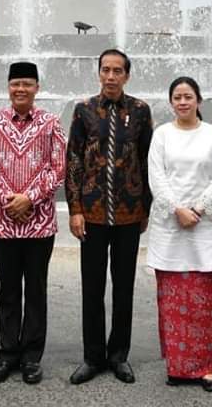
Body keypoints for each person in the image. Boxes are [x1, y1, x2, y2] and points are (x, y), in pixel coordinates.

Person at [0, 62, 65, 385]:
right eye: (15, 84)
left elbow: (58, 168)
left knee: (36, 289)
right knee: (8, 290)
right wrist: (6, 198)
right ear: (8, 87)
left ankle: (31, 357)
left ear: (37, 87)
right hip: (3, 222)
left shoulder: (50, 123)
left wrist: (30, 198)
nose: (21, 89)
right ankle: (7, 354)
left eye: (27, 84)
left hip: (40, 224)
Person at [66, 48, 153, 385]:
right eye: (106, 70)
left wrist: (145, 206)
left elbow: (147, 162)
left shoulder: (141, 111)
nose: (111, 76)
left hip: (129, 215)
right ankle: (92, 356)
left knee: (124, 287)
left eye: (118, 71)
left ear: (127, 75)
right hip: (93, 214)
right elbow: (73, 161)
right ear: (98, 73)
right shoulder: (84, 111)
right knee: (92, 287)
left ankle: (119, 356)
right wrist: (75, 209)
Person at [146, 77, 212, 392]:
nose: (183, 102)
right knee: (172, 298)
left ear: (198, 100)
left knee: (205, 300)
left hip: (204, 227)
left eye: (188, 96)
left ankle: (206, 367)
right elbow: (157, 175)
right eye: (177, 97)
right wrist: (177, 209)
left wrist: (198, 209)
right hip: (171, 225)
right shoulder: (162, 135)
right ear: (171, 102)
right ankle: (178, 366)